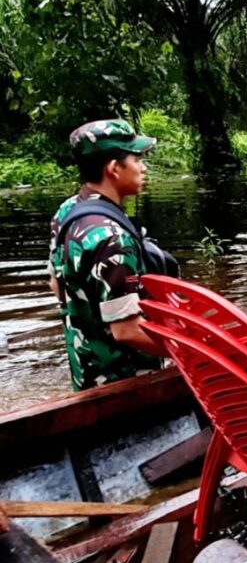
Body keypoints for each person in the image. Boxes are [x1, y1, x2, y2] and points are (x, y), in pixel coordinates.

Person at [47, 119, 165, 390]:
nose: (143, 167)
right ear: (114, 168)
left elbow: (56, 284)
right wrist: (192, 353)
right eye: (136, 159)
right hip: (126, 386)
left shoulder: (66, 212)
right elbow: (127, 331)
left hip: (86, 376)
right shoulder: (112, 238)